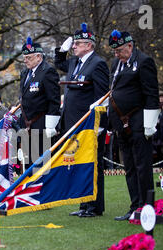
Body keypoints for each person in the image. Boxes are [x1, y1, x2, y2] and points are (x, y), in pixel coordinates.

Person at [54, 22, 109, 218]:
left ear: (89, 45)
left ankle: (95, 206)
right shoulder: (75, 63)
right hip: (73, 123)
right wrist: (62, 50)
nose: (74, 46)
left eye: (78, 43)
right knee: (79, 164)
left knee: (93, 164)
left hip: (89, 124)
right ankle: (84, 204)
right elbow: (59, 63)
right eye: (74, 43)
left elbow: (102, 96)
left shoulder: (98, 64)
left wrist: (100, 123)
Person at [105, 30, 160, 221]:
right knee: (128, 167)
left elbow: (152, 94)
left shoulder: (144, 62)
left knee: (142, 166)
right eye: (114, 51)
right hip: (121, 124)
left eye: (119, 50)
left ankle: (146, 206)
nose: (117, 54)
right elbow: (114, 91)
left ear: (130, 46)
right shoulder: (116, 64)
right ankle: (134, 205)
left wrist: (150, 123)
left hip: (138, 122)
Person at [19, 37, 61, 165]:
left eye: (29, 58)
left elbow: (54, 100)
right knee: (28, 164)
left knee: (41, 164)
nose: (25, 61)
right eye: (24, 58)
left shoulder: (48, 72)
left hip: (42, 124)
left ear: (38, 57)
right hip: (27, 124)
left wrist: (51, 125)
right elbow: (24, 97)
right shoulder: (25, 73)